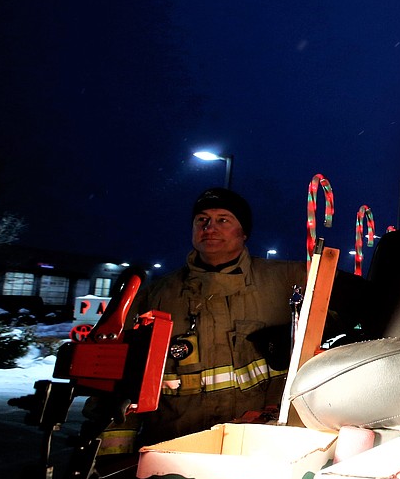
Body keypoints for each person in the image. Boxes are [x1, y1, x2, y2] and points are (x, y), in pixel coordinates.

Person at [95, 187, 366, 450]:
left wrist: (319, 337)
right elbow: (120, 383)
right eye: (202, 220)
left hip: (262, 447)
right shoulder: (156, 296)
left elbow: (367, 311)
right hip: (171, 451)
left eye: (223, 220)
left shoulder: (288, 280)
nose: (209, 227)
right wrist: (112, 459)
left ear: (243, 232)